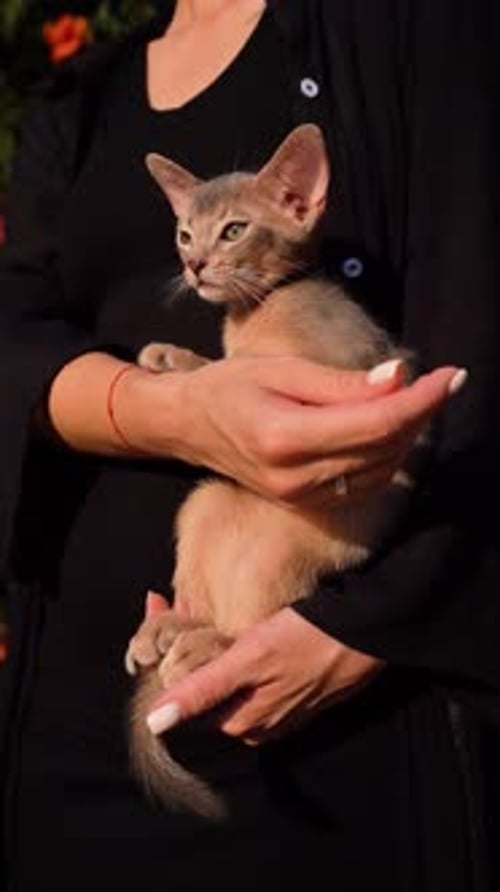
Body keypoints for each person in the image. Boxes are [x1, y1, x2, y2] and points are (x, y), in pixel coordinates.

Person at [0, 0, 499, 889]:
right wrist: (170, 406)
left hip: (327, 722)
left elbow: (472, 338)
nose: (190, 261)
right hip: (71, 714)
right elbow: (13, 330)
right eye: (185, 236)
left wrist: (365, 628)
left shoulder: (419, 27)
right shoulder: (79, 95)